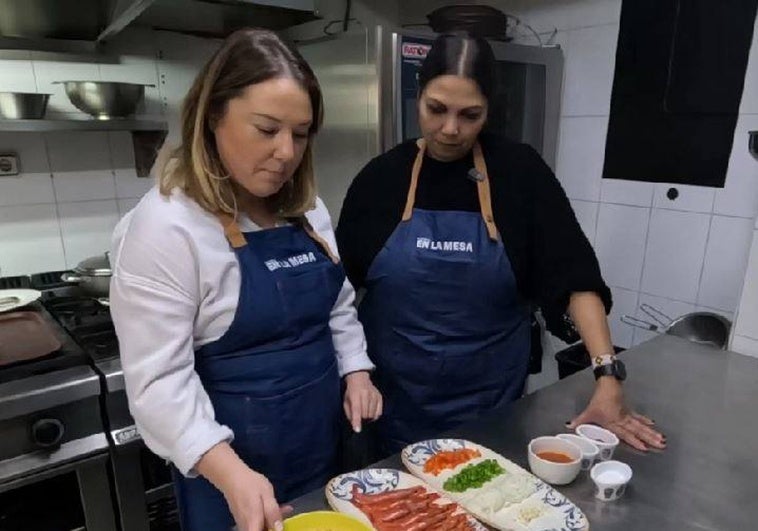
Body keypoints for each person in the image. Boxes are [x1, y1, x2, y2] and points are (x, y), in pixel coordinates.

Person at [336, 33, 666, 457]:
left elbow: (575, 276)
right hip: (393, 406)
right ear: (418, 96)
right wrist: (352, 375)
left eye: (469, 115)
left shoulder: (519, 173)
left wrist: (607, 376)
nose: (450, 129)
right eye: (436, 109)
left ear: (489, 108)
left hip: (491, 410)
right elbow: (339, 297)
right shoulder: (380, 180)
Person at [109, 28, 382, 531]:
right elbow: (159, 385)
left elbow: (338, 304)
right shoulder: (165, 228)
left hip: (321, 444)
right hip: (228, 470)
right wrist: (232, 474)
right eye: (267, 129)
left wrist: (356, 370)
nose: (286, 152)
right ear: (213, 115)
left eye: (300, 135)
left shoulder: (308, 211)